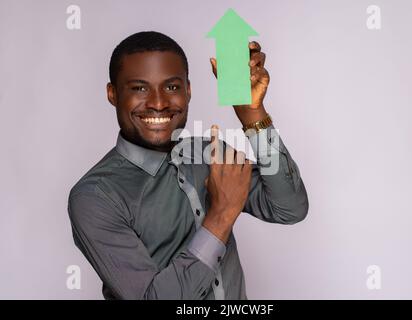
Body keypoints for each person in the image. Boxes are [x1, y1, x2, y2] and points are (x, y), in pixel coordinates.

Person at [67, 31, 309, 300]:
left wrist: (253, 114)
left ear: (188, 90)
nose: (158, 103)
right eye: (139, 88)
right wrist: (220, 216)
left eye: (171, 87)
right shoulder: (95, 197)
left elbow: (290, 209)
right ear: (113, 94)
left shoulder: (210, 152)